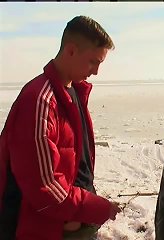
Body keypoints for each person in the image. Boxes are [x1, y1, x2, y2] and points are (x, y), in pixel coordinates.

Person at [0, 16, 121, 240]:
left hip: (73, 219)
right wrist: (98, 208)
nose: (96, 72)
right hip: (46, 230)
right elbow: (45, 187)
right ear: (71, 50)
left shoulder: (72, 91)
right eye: (93, 62)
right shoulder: (40, 101)